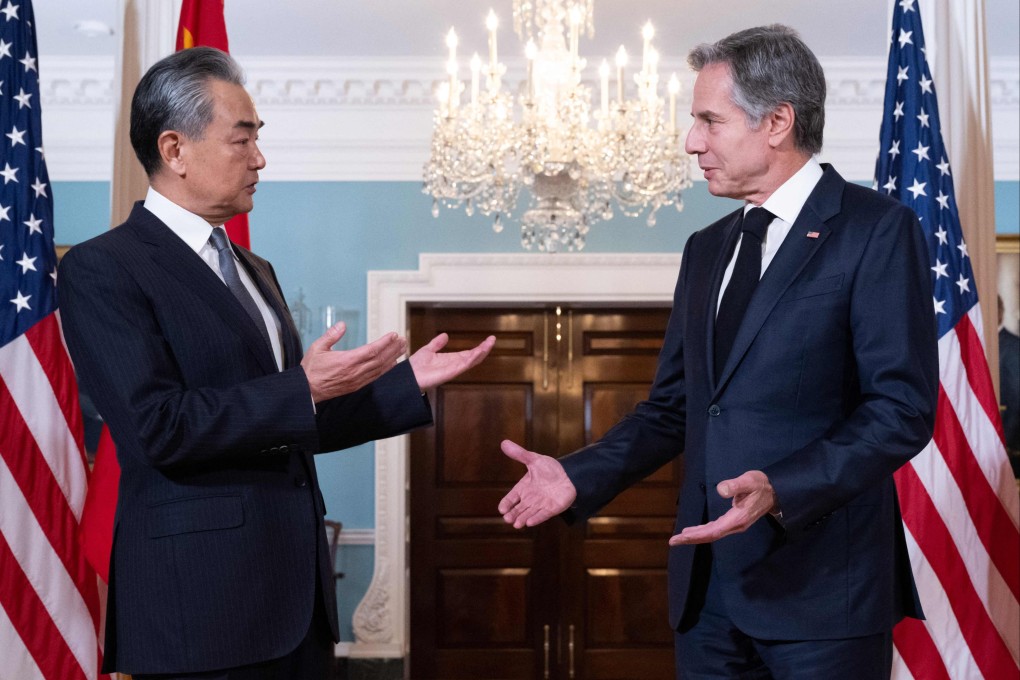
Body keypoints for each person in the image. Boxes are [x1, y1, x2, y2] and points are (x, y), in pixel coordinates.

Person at [498, 25, 938, 679]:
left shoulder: (875, 230)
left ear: (777, 122)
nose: (691, 142)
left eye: (709, 120)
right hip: (707, 600)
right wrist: (578, 475)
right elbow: (675, 407)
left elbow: (900, 410)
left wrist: (781, 488)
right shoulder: (706, 248)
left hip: (823, 596)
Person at [58, 47, 494, 680]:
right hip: (199, 612)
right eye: (242, 140)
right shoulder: (103, 267)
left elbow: (293, 421)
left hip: (296, 604)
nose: (259, 158)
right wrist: (302, 389)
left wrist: (401, 386)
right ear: (175, 150)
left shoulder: (254, 269)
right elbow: (157, 428)